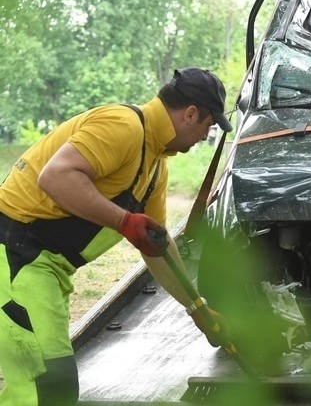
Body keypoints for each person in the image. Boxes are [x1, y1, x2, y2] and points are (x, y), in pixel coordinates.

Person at [0, 67, 233, 405]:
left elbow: (156, 245)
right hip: (14, 255)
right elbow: (56, 177)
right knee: (47, 387)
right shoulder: (122, 126)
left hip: (43, 268)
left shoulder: (155, 164)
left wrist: (197, 308)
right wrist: (124, 221)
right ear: (191, 114)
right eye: (208, 127)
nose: (203, 138)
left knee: (51, 387)